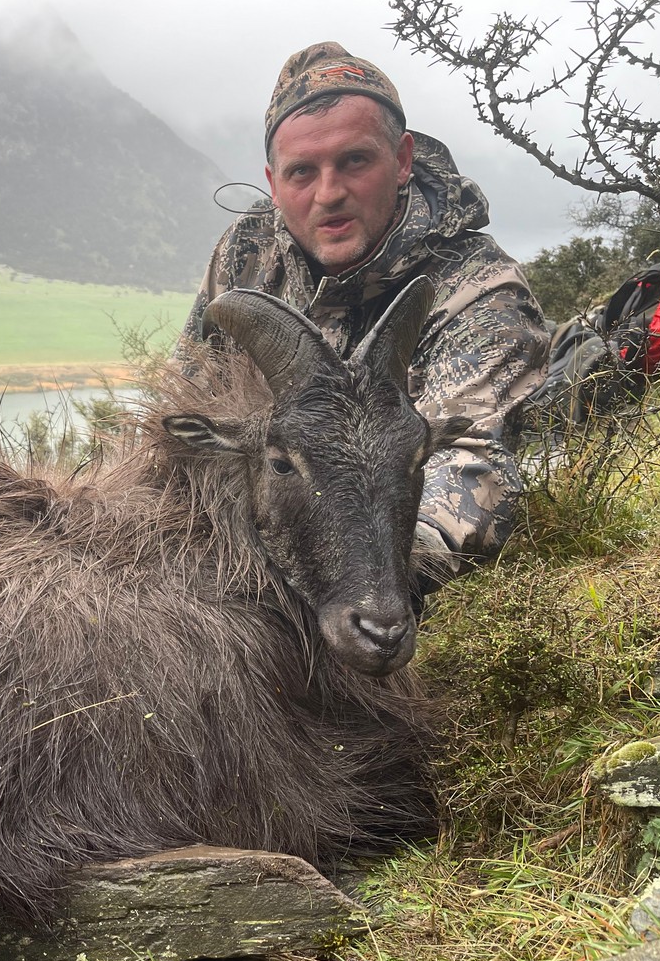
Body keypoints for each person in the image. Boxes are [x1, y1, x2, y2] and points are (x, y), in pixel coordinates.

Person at [179, 42, 549, 598]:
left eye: (354, 161)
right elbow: (188, 404)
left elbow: (470, 465)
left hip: (371, 560)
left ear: (401, 159)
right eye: (302, 172)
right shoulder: (246, 252)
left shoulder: (480, 291)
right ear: (273, 180)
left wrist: (367, 575)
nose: (328, 194)